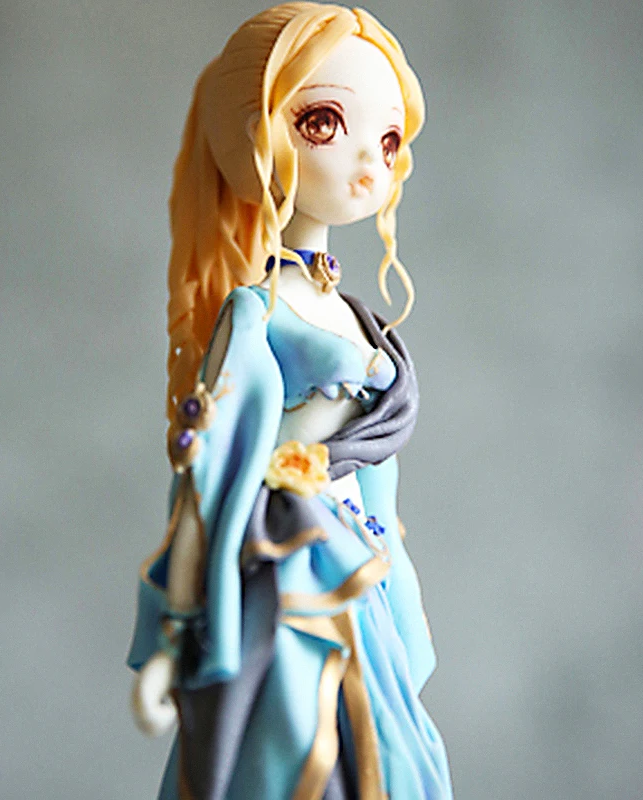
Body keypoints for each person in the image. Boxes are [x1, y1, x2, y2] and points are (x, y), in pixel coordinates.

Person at [127, 4, 453, 798]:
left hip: (361, 574)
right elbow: (209, 476)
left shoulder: (360, 318)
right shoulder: (258, 312)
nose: (369, 161)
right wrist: (173, 636)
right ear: (260, 133)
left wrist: (401, 596)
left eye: (387, 140)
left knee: (384, 760)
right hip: (283, 575)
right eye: (324, 122)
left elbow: (377, 482)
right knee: (292, 754)